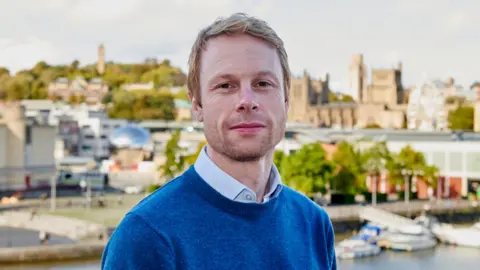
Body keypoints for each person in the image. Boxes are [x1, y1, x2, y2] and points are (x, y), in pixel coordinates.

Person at [102, 13, 336, 270]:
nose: (247, 100)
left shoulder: (313, 223)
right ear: (197, 105)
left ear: (286, 100)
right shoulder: (147, 236)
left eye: (262, 83)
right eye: (226, 85)